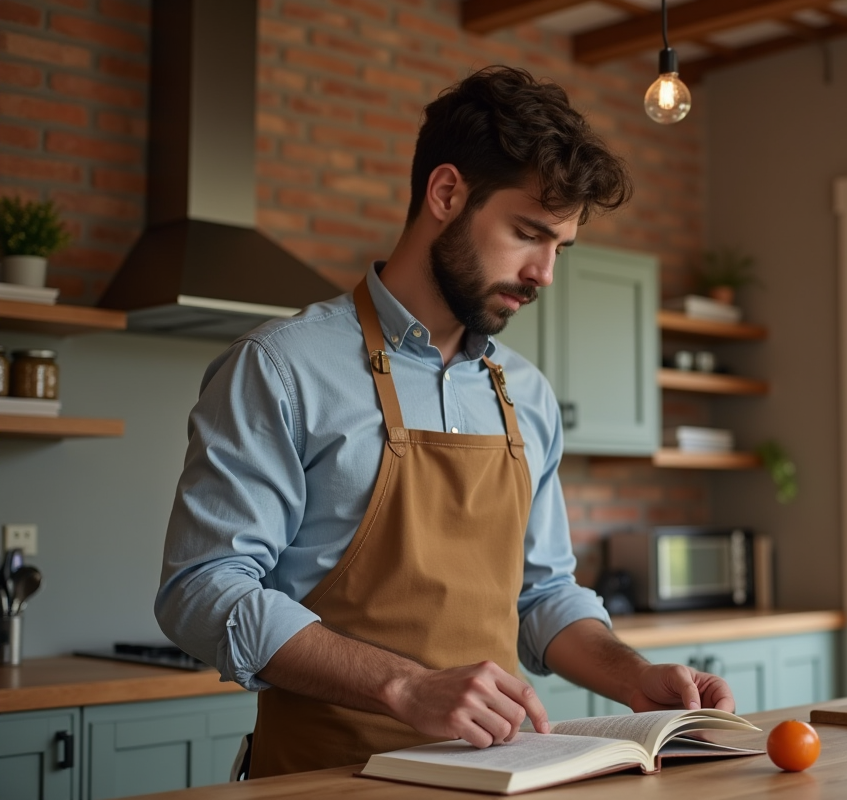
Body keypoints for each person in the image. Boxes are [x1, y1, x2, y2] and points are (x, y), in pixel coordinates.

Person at [155, 65, 734, 779]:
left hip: (500, 780)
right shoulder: (280, 369)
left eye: (560, 247)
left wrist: (631, 677)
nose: (544, 273)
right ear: (446, 192)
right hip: (325, 783)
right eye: (528, 233)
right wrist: (404, 686)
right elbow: (205, 589)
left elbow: (544, 595)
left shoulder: (526, 394)